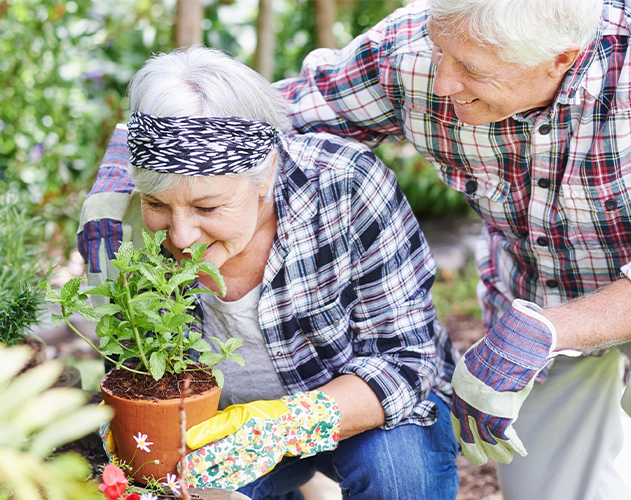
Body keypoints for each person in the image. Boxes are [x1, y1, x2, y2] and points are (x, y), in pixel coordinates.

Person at [271, 0, 631, 499]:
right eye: (440, 52)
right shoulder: (410, 47)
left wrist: (540, 333)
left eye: (472, 68)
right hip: (535, 285)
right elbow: (268, 126)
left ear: (560, 59)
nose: (442, 83)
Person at [77, 46, 459, 500]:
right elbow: (136, 378)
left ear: (265, 175)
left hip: (364, 412)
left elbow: (405, 360)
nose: (179, 235)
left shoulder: (346, 186)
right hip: (222, 430)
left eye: (207, 207)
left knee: (399, 476)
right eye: (157, 204)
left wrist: (282, 426)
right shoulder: (116, 224)